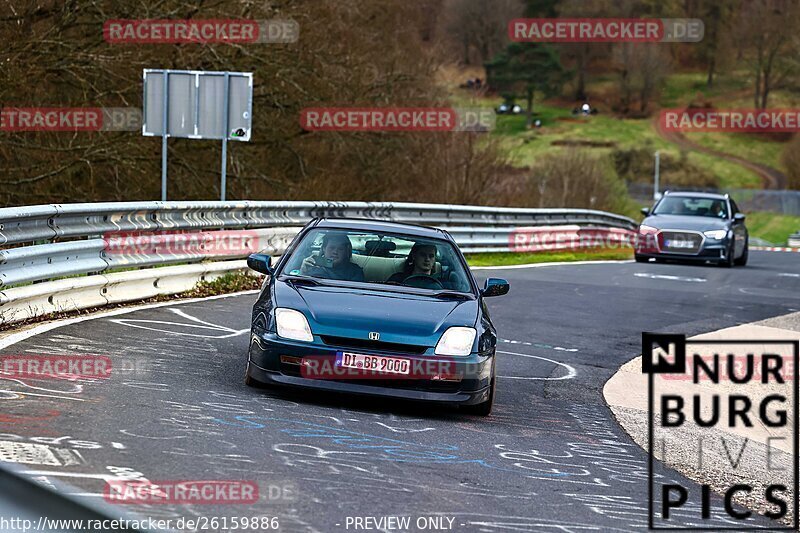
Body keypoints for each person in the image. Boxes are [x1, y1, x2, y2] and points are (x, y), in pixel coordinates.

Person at [300, 232, 364, 282]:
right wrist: (303, 272)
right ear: (324, 248)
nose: (335, 252)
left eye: (340, 249)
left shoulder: (355, 271)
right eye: (331, 248)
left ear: (346, 252)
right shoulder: (313, 265)